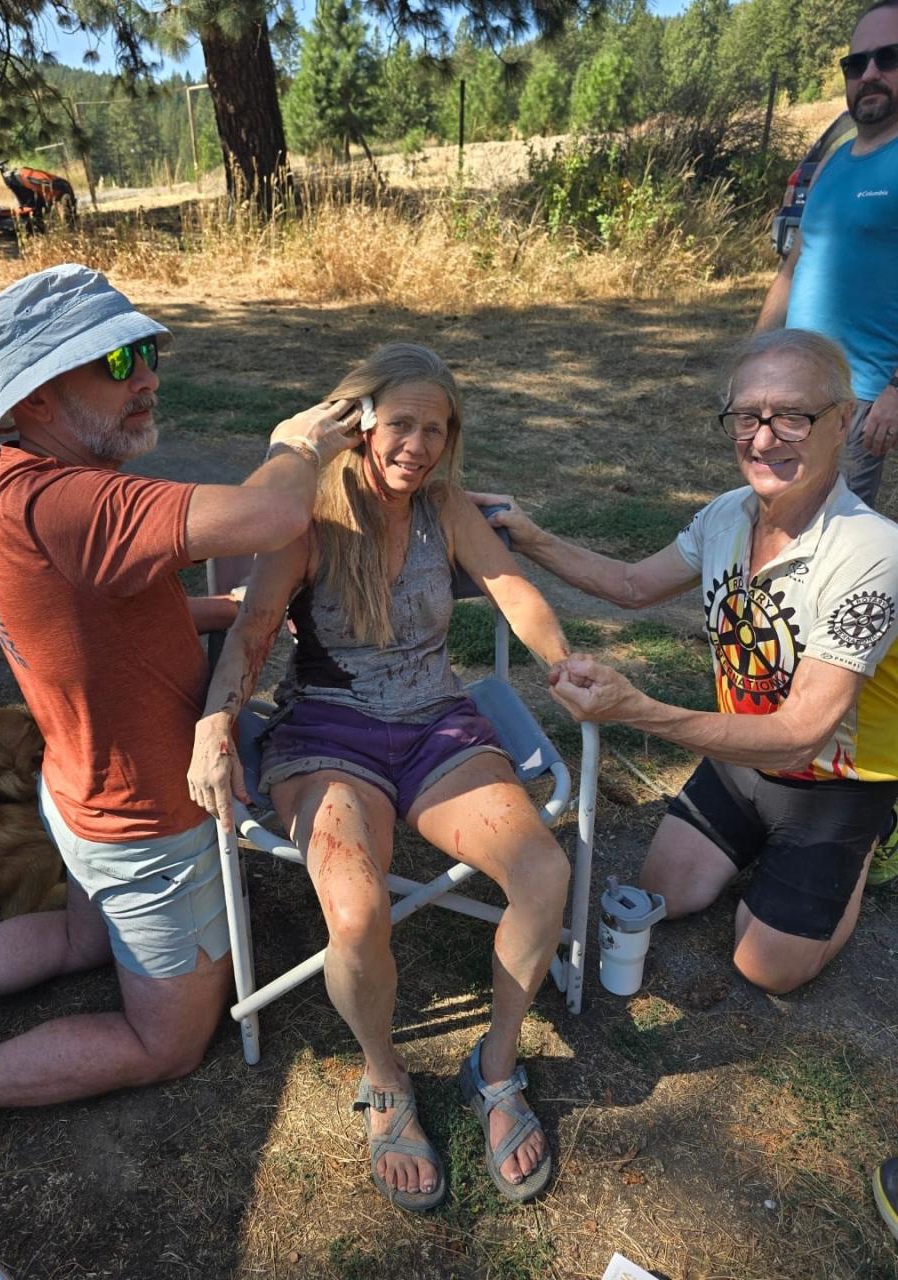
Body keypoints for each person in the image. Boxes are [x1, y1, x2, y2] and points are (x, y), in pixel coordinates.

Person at [0, 262, 361, 1118]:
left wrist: (218, 607)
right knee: (165, 1045)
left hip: (76, 785)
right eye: (118, 363)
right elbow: (272, 518)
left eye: (147, 351)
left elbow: (88, 609)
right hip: (144, 822)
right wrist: (297, 446)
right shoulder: (78, 503)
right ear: (38, 400)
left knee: (73, 938)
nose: (150, 378)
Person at [188, 342, 572, 1210]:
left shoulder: (444, 507)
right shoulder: (306, 518)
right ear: (359, 423)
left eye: (437, 429)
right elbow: (252, 630)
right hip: (328, 730)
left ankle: (495, 1069)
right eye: (402, 424)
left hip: (436, 720)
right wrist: (217, 724)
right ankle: (386, 1075)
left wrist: (563, 664)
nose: (420, 445)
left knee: (545, 871)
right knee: (356, 911)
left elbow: (510, 588)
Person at [471, 329, 898, 997]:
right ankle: (775, 852)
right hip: (740, 758)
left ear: (843, 420)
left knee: (766, 968)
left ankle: (874, 836)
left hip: (836, 780)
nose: (762, 440)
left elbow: (801, 734)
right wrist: (530, 536)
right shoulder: (728, 514)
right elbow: (634, 587)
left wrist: (637, 710)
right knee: (664, 892)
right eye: (748, 417)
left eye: (792, 416)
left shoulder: (873, 551)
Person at [755, 0, 898, 512]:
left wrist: (895, 392)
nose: (871, 74)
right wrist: (755, 359)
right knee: (772, 519)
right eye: (857, 64)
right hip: (790, 385)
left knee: (829, 544)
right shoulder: (834, 162)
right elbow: (794, 265)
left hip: (854, 400)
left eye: (889, 58)